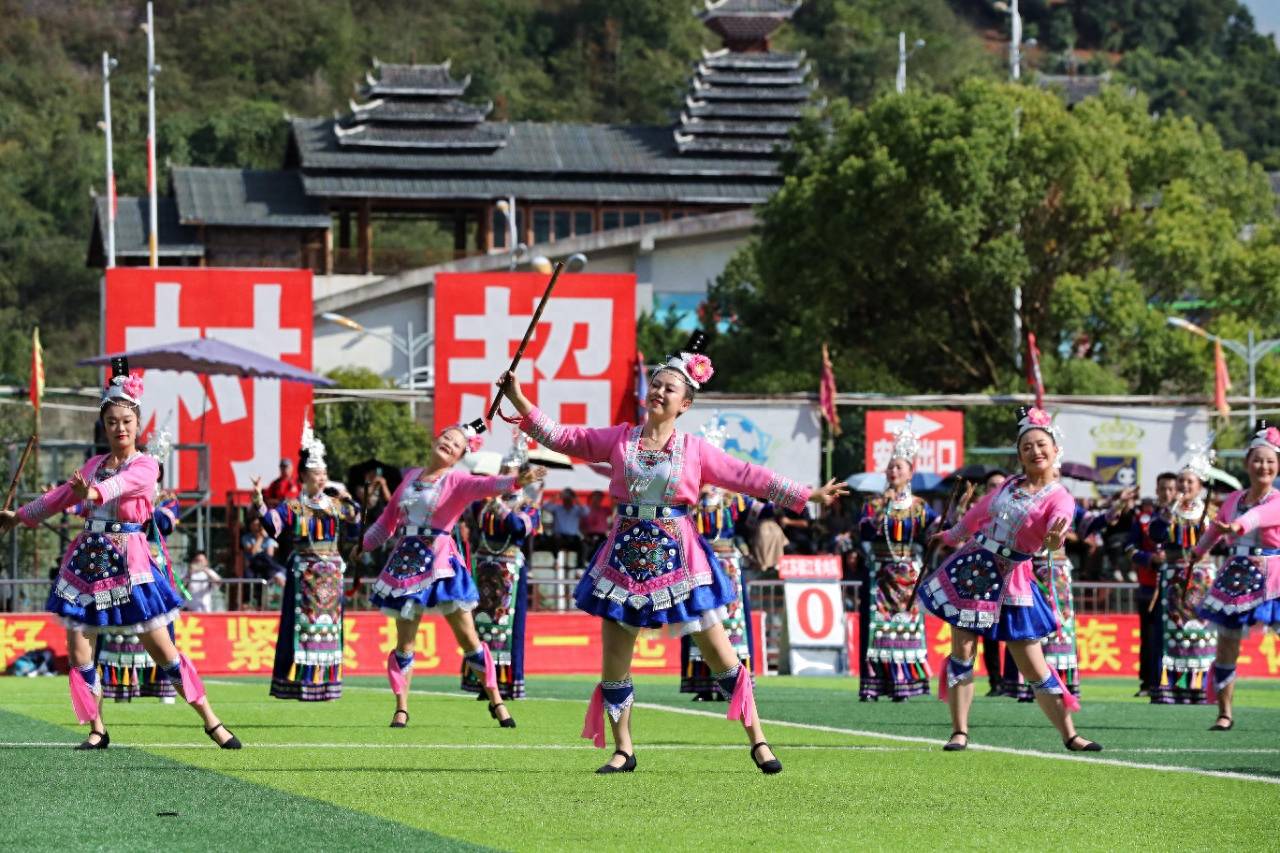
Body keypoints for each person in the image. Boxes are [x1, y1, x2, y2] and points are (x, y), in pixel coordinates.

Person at [497, 333, 847, 774]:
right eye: (656, 384)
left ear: (685, 404)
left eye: (670, 388)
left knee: (722, 656)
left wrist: (804, 494)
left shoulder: (695, 450)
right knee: (615, 661)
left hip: (678, 557)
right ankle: (623, 748)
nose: (659, 391)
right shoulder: (619, 439)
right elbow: (564, 437)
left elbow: (745, 475)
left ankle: (758, 739)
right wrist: (519, 397)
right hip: (623, 555)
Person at [0, 360, 240, 749]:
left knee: (163, 650)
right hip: (87, 562)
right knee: (80, 646)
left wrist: (91, 494)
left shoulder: (146, 466)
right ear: (104, 425)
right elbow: (60, 497)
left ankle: (211, 720)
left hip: (129, 563)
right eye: (112, 422)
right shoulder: (94, 465)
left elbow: (120, 488)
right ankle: (97, 727)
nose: (120, 428)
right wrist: (18, 517)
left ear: (137, 422)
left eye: (126, 421)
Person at [920, 407, 1100, 753]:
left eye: (1041, 445)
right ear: (1019, 454)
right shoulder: (1009, 486)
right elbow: (977, 514)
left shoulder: (1060, 496)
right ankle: (959, 731)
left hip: (1014, 578)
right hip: (974, 570)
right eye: (1027, 446)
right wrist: (949, 535)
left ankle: (1070, 734)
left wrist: (1053, 540)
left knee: (1033, 664)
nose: (1035, 451)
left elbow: (1058, 525)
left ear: (1055, 450)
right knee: (963, 651)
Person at [363, 422, 546, 728]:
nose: (448, 443)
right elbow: (387, 520)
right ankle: (401, 707)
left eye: (456, 444)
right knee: (404, 643)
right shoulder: (409, 476)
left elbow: (489, 486)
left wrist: (517, 481)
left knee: (469, 639)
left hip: (441, 565)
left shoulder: (457, 480)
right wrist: (363, 545)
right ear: (435, 439)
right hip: (406, 566)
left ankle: (497, 701)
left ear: (460, 455)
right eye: (446, 437)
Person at [255, 420, 359, 702]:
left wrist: (349, 500)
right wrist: (260, 502)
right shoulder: (294, 507)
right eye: (316, 474)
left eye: (324, 473)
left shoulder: (335, 505)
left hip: (332, 573)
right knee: (301, 627)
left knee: (328, 627)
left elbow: (355, 525)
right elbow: (272, 524)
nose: (322, 478)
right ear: (303, 476)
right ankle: (296, 684)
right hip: (304, 574)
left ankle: (326, 685)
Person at [1190, 420, 1280, 731]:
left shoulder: (1277, 500)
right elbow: (1215, 528)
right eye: (1257, 459)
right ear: (1247, 463)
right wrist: (1198, 551)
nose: (1263, 466)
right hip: (1236, 576)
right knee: (1226, 644)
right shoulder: (1233, 499)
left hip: (1273, 576)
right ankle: (1224, 712)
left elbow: (1257, 518)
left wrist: (1237, 527)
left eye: (1270, 461)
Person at [680, 419, 766, 701]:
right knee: (701, 622)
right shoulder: (689, 495)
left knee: (730, 622)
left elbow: (762, 513)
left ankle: (734, 684)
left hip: (727, 563)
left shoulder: (733, 499)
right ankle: (704, 684)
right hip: (698, 562)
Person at [856, 420, 936, 702]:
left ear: (910, 472)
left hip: (909, 574)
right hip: (879, 574)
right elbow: (863, 530)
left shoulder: (920, 506)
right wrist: (882, 511)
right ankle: (874, 684)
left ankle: (905, 683)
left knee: (905, 628)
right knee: (876, 630)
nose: (893, 471)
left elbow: (934, 533)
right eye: (890, 467)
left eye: (898, 467)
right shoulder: (874, 504)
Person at [98, 432, 180, 703]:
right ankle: (122, 686)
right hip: (121, 560)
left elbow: (165, 523)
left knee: (156, 624)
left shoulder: (166, 498)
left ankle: (164, 686)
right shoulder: (124, 493)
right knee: (121, 624)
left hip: (150, 563)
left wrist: (146, 507)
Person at [463, 433, 543, 701]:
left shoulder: (528, 506)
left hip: (510, 571)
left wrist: (500, 506)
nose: (507, 477)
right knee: (481, 624)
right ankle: (481, 681)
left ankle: (507, 683)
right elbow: (469, 512)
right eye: (503, 472)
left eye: (511, 472)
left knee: (508, 628)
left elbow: (519, 527)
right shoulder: (483, 504)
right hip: (484, 567)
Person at [1148, 438, 1218, 705]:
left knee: (1200, 634)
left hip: (1202, 578)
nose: (1185, 486)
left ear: (1200, 486)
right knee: (1174, 634)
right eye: (1182, 482)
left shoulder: (1210, 511)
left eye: (1190, 482)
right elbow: (1155, 534)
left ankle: (1199, 687)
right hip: (1175, 579)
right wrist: (1168, 514)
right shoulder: (1169, 511)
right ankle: (1171, 686)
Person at [1127, 474, 1179, 696]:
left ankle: (1176, 682)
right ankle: (1148, 683)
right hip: (1149, 587)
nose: (1167, 493)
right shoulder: (1143, 518)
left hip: (1177, 587)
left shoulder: (1186, 517)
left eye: (1171, 489)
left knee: (1177, 634)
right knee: (1149, 636)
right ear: (1156, 491)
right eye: (1162, 489)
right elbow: (1130, 548)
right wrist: (1149, 559)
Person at [546, 488, 589, 567]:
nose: (567, 500)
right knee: (555, 538)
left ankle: (580, 568)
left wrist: (576, 499)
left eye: (569, 498)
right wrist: (556, 497)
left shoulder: (577, 509)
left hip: (573, 538)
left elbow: (586, 512)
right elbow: (545, 506)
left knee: (583, 544)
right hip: (559, 538)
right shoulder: (557, 508)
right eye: (565, 498)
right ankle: (556, 561)